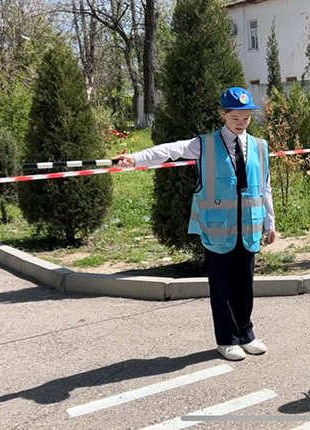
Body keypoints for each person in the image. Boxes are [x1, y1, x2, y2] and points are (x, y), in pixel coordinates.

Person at [113, 87, 276, 361]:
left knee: (245, 284)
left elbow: (265, 187)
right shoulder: (204, 144)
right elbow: (170, 151)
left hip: (249, 229)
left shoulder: (260, 146)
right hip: (217, 229)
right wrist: (136, 158)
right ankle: (226, 340)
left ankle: (246, 334)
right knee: (222, 287)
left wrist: (270, 223)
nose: (241, 123)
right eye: (236, 117)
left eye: (246, 118)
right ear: (223, 115)